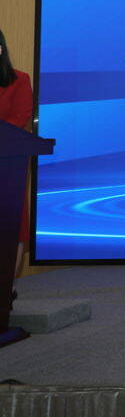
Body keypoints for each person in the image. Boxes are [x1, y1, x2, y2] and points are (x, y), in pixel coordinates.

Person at [0, 29, 34, 285]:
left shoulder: (19, 79)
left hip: (7, 163)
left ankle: (5, 288)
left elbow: (21, 117)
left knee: (12, 226)